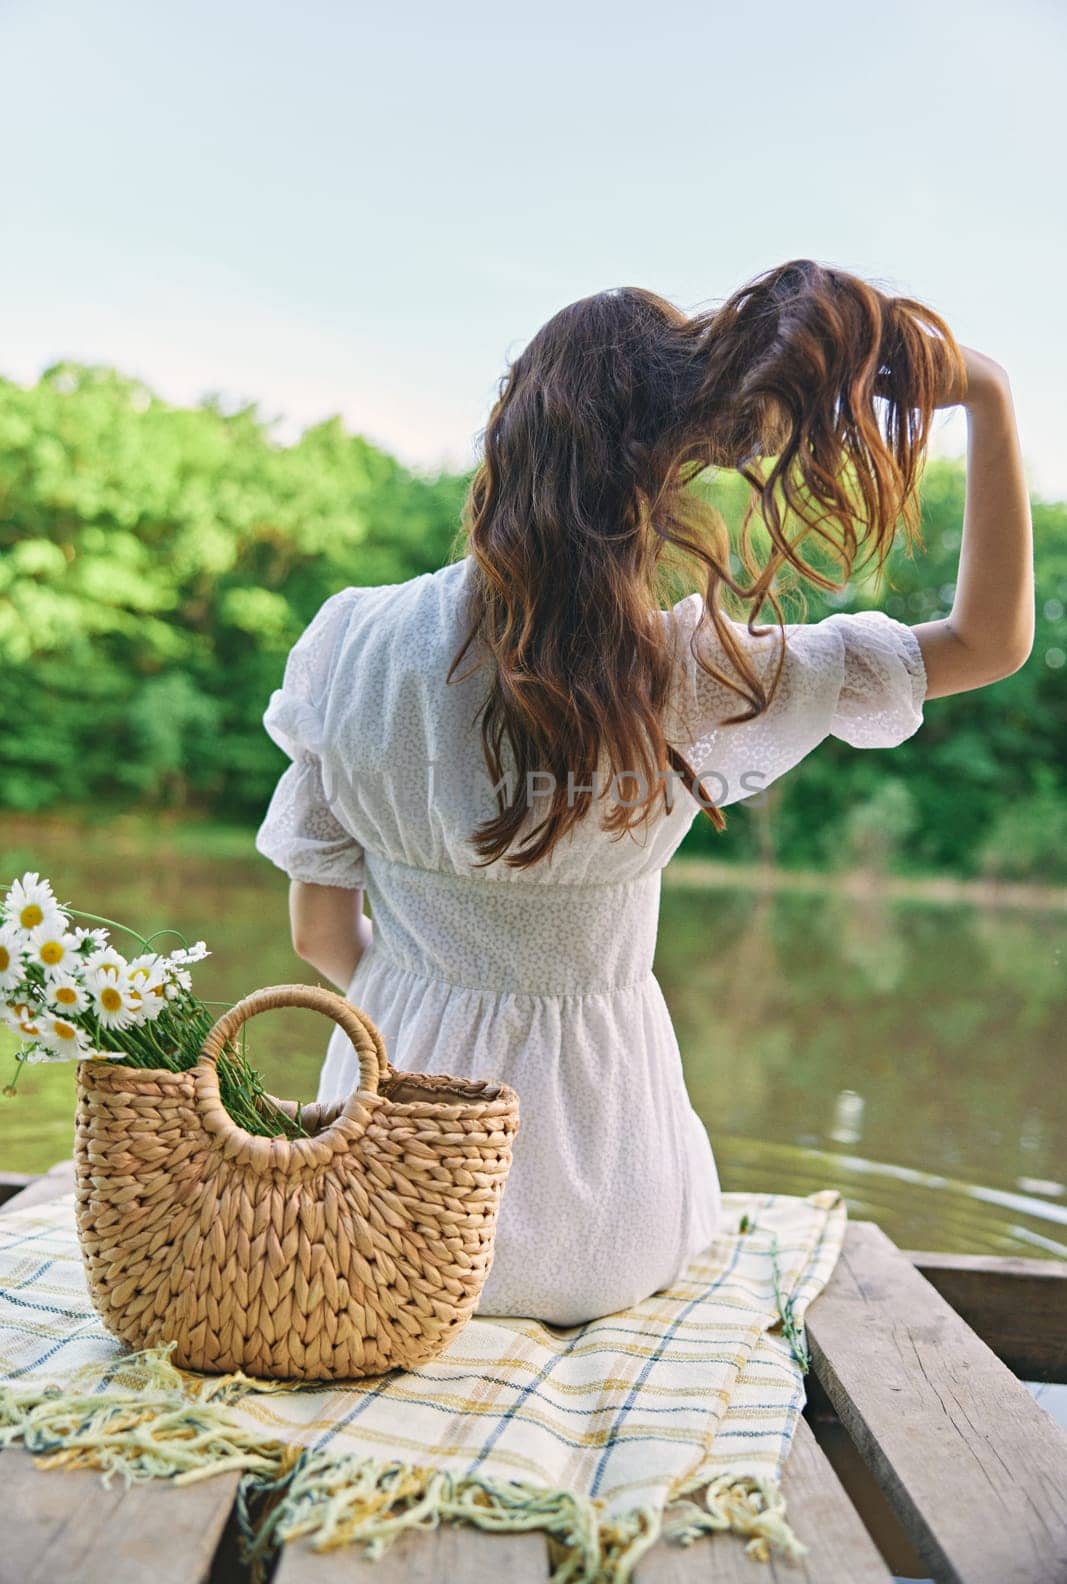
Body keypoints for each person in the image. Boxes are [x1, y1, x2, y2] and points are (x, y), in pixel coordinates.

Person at [254, 259, 1034, 1325]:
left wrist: (428, 1002)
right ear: (665, 475)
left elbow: (317, 937)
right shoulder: (692, 674)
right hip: (608, 1221)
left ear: (503, 442)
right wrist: (984, 394)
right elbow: (988, 641)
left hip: (385, 1196)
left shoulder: (350, 641)